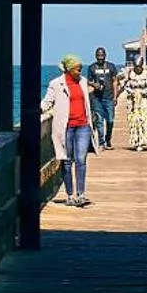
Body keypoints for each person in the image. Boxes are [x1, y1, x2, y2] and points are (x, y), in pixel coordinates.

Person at [41, 54, 95, 207]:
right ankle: (70, 195)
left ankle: (81, 193)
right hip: (66, 127)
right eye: (78, 68)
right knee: (66, 161)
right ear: (69, 69)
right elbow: (47, 102)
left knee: (81, 159)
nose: (80, 71)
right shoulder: (56, 84)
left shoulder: (83, 82)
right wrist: (36, 110)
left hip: (83, 125)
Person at [87, 46, 120, 150]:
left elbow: (115, 81)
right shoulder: (91, 67)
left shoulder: (111, 67)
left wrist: (115, 96)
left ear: (105, 56)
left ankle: (108, 138)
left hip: (109, 97)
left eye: (102, 55)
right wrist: (94, 84)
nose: (100, 58)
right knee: (99, 121)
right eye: (98, 56)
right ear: (95, 56)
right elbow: (88, 81)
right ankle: (102, 142)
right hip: (97, 98)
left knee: (110, 120)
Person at [125, 52, 147, 152]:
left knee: (144, 120)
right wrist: (132, 92)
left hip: (144, 101)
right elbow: (125, 85)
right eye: (136, 66)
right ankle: (136, 141)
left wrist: (141, 92)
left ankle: (143, 141)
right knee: (134, 121)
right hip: (133, 101)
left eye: (139, 66)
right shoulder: (129, 73)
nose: (137, 68)